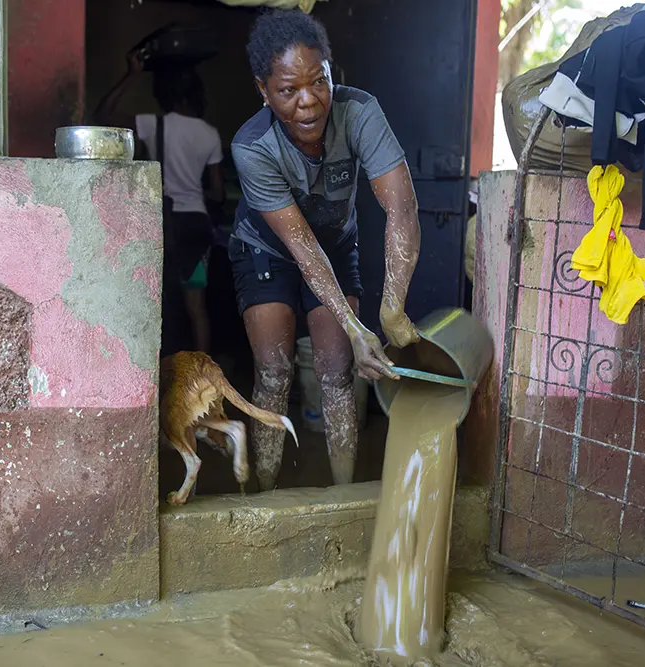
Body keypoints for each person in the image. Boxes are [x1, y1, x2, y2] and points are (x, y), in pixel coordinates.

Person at [231, 10, 421, 490]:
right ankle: (264, 497)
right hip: (267, 252)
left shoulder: (359, 112)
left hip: (335, 245)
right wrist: (356, 325)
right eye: (288, 90)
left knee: (338, 374)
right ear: (263, 90)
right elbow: (299, 244)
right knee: (274, 373)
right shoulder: (252, 147)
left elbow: (401, 207)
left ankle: (342, 496)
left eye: (319, 81)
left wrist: (392, 306)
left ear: (334, 72)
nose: (308, 101)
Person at [95, 54, 224, 354]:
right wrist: (194, 190)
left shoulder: (154, 125)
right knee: (197, 307)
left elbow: (103, 114)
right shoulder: (210, 134)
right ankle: (200, 374)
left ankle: (155, 372)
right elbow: (217, 192)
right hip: (196, 227)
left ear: (162, 93)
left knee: (155, 302)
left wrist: (131, 74)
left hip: (160, 224)